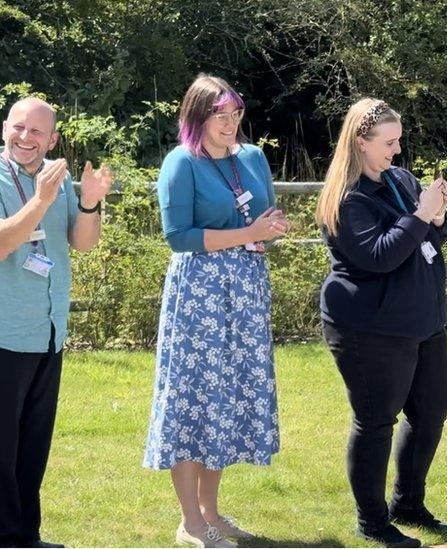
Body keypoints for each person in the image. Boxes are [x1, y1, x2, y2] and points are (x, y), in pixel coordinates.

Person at [143, 74, 291, 548]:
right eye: (219, 115)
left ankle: (211, 513)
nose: (229, 124)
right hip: (199, 295)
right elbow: (178, 237)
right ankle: (190, 522)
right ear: (197, 117)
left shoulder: (251, 157)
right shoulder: (181, 163)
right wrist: (246, 236)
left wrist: (270, 230)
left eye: (236, 114)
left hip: (245, 289)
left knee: (224, 398)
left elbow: (265, 214)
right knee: (194, 400)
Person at [316, 98, 447, 548]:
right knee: (376, 421)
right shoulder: (347, 198)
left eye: (398, 140)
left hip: (423, 320)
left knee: (430, 411)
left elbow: (433, 234)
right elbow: (379, 256)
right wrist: (420, 216)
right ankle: (372, 522)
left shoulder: (401, 179)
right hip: (369, 328)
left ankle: (408, 503)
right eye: (388, 142)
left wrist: (436, 214)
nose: (397, 150)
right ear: (361, 141)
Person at [0, 97, 113, 548]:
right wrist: (41, 199)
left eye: (36, 132)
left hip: (48, 332)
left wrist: (88, 202)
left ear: (53, 139)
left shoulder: (58, 178)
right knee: (1, 450)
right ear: (5, 127)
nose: (25, 138)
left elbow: (82, 244)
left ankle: (26, 534)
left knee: (32, 446)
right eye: (18, 127)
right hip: (6, 333)